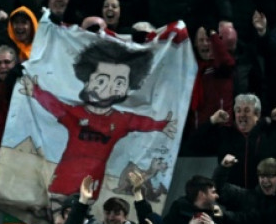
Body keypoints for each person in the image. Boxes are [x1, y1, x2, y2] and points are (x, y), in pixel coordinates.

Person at [20, 40, 176, 198]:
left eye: (119, 82)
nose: (109, 87)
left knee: (82, 214)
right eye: (102, 80)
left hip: (91, 184)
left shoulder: (121, 120)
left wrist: (162, 125)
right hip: (65, 179)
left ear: (129, 88)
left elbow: (141, 122)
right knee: (58, 212)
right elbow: (56, 106)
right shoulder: (76, 114)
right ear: (87, 82)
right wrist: (36, 92)